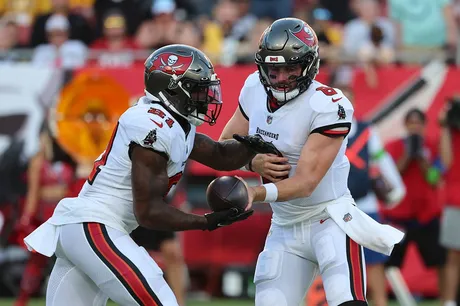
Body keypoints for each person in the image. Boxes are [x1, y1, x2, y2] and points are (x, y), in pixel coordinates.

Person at [24, 44, 255, 306]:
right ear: (171, 89)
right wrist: (206, 221)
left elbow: (221, 155)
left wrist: (259, 143)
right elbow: (148, 212)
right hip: (96, 226)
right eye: (196, 88)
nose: (205, 95)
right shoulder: (152, 126)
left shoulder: (175, 124)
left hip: (88, 229)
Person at [220, 18, 404, 306]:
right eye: (274, 69)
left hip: (329, 220)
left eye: (290, 68)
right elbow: (226, 144)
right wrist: (252, 162)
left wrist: (254, 193)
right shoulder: (254, 86)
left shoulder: (329, 105)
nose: (280, 78)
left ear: (309, 65)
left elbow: (306, 183)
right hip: (283, 225)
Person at [340, 86, 405, 306]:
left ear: (355, 102)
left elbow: (382, 160)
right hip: (336, 208)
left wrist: (397, 189)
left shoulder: (367, 132)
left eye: (349, 99)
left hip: (366, 207)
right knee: (336, 269)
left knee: (374, 267)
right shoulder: (324, 130)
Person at [383, 108, 447, 303]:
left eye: (418, 123)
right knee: (384, 263)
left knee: (441, 261)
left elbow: (435, 179)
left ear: (424, 125)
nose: (414, 126)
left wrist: (421, 157)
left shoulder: (433, 146)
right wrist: (407, 154)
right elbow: (392, 178)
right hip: (398, 217)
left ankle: (447, 300)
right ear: (405, 125)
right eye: (411, 122)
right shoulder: (394, 146)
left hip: (425, 216)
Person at [14, 126, 76, 306]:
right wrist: (26, 218)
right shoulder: (38, 161)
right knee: (36, 263)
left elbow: (72, 188)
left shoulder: (69, 159)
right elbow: (34, 192)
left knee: (73, 261)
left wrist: (57, 192)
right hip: (45, 220)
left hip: (66, 218)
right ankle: (22, 299)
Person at [439, 97, 460, 306]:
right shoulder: (452, 133)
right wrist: (445, 125)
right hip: (456, 201)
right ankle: (449, 301)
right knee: (454, 255)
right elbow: (446, 162)